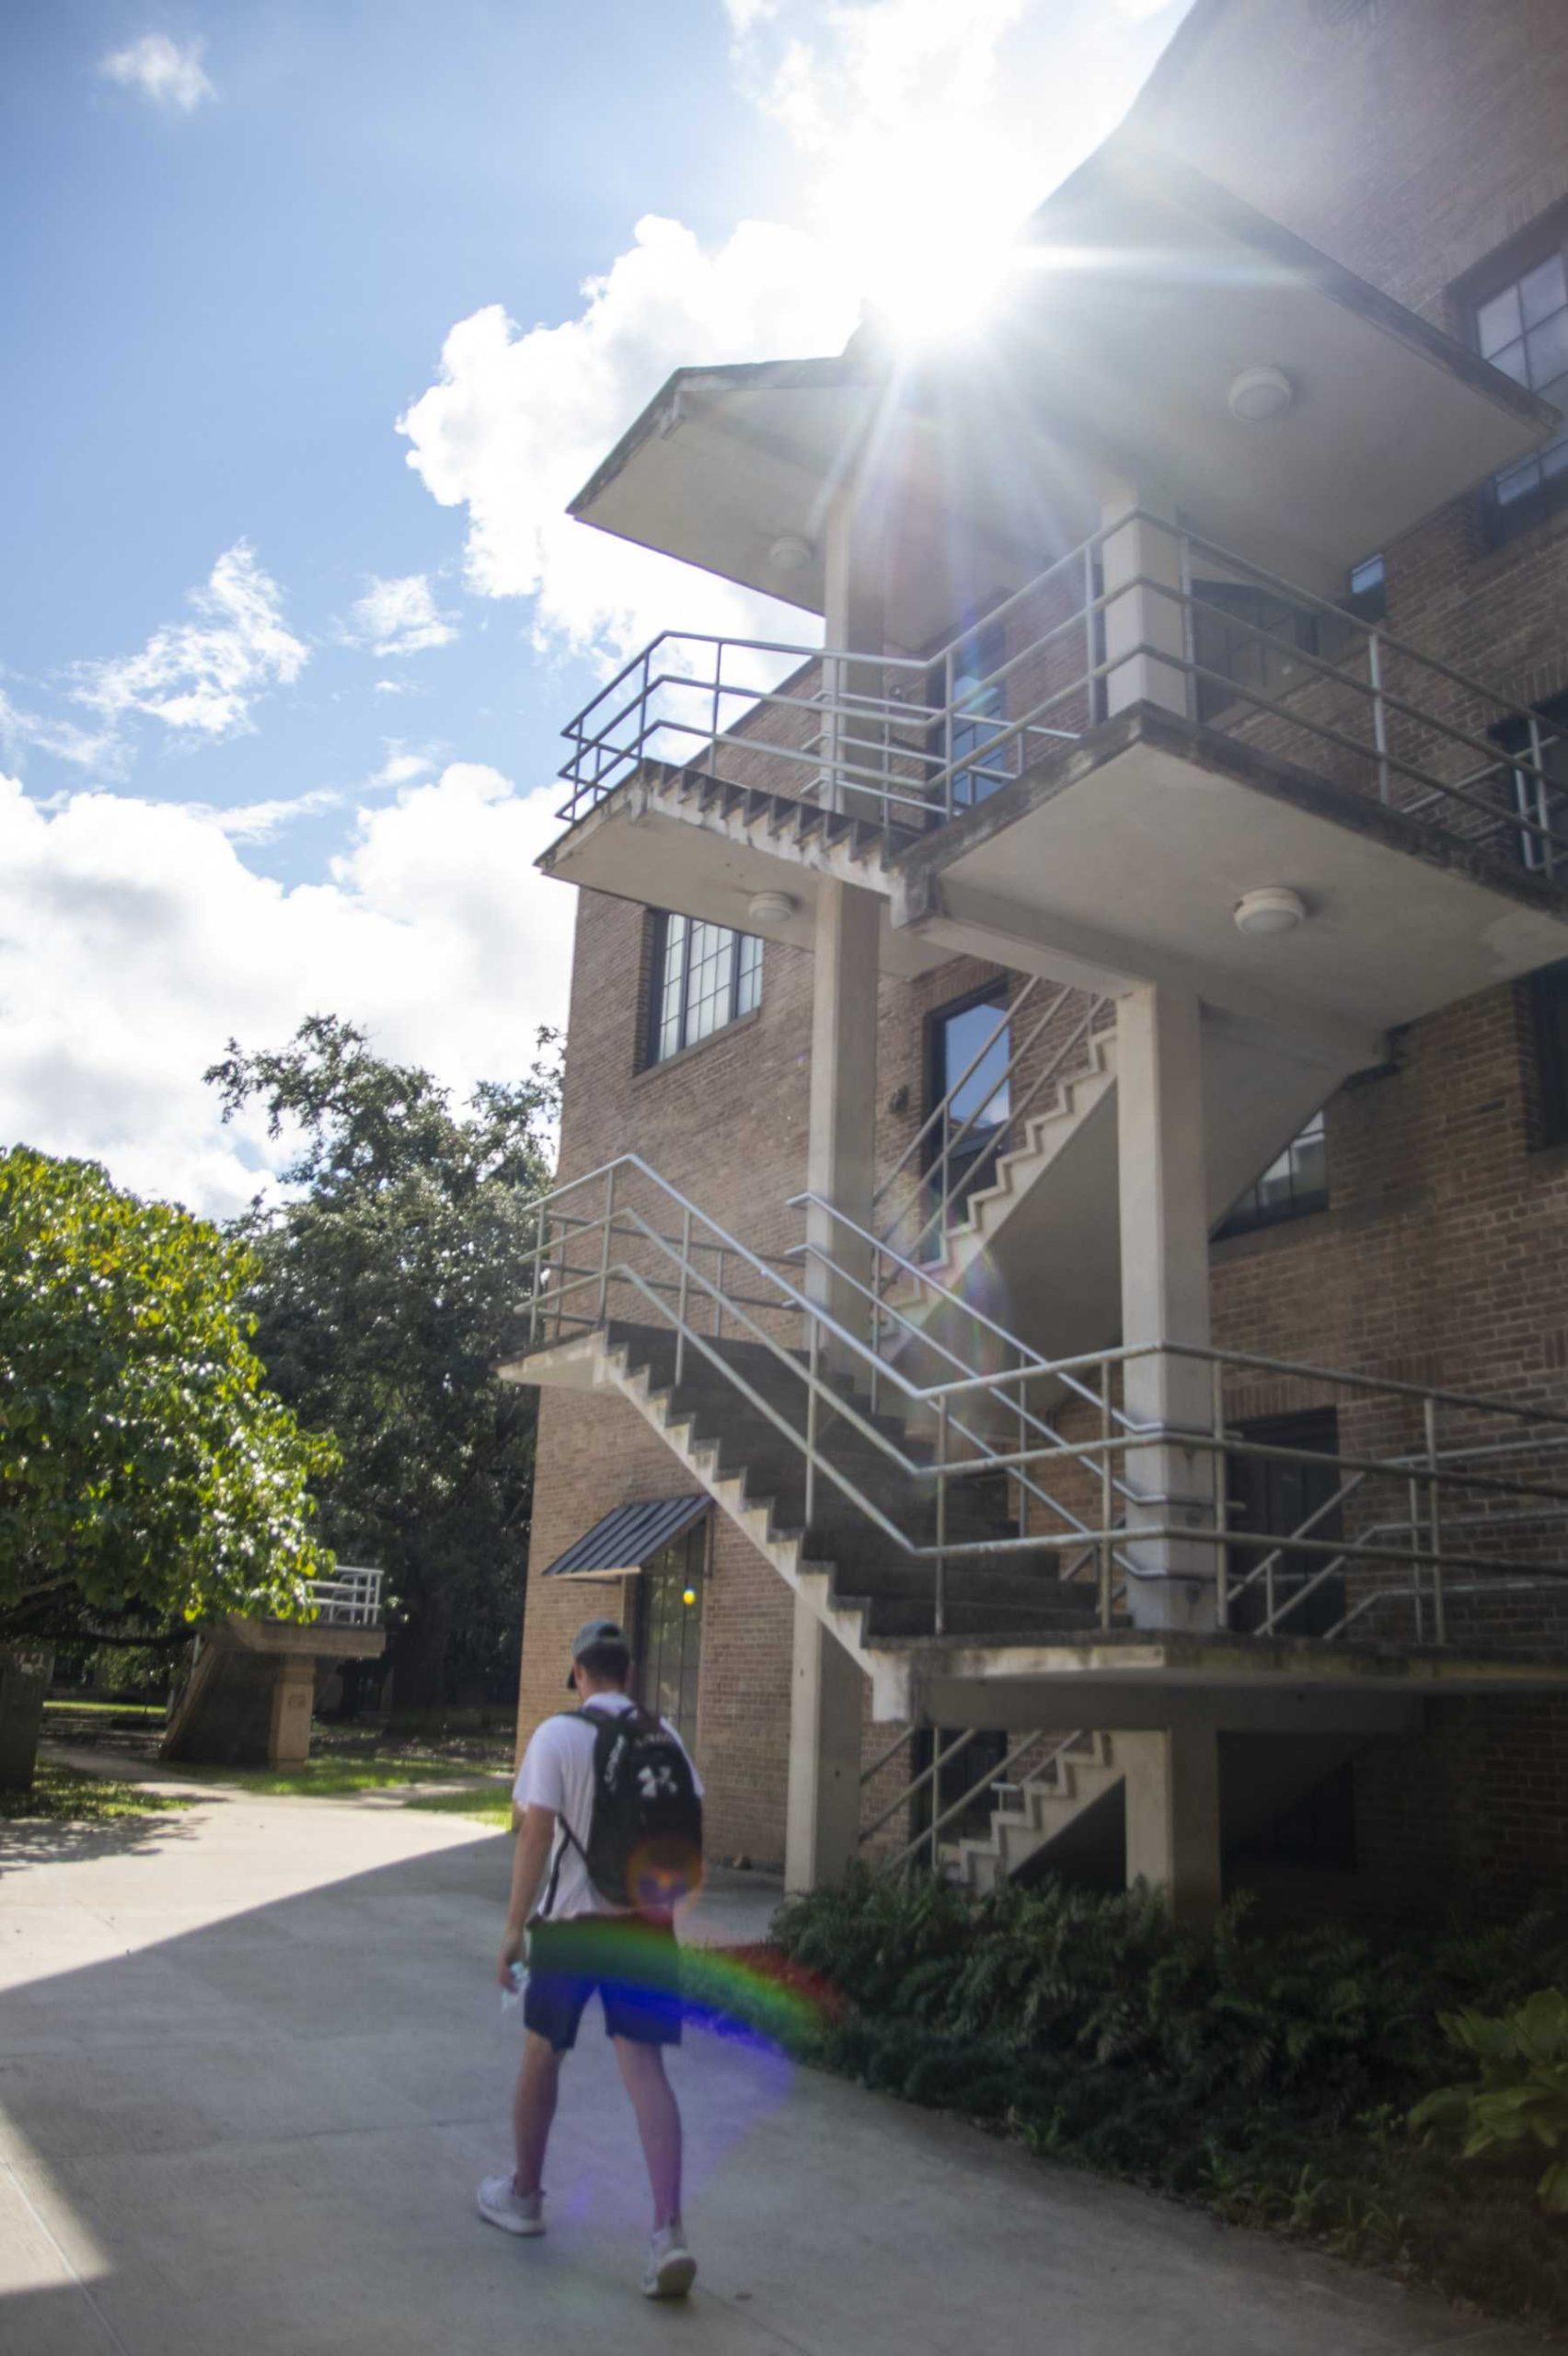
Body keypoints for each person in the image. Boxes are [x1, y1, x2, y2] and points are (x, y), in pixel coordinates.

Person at [477, 1616, 702, 2299]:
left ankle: (524, 2197)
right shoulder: (667, 1739)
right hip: (645, 1927)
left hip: (572, 1929)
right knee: (646, 2074)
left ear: (578, 1672)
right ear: (628, 1674)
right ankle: (667, 2233)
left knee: (543, 2054)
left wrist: (514, 1930)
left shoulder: (557, 1735)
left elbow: (534, 1840)